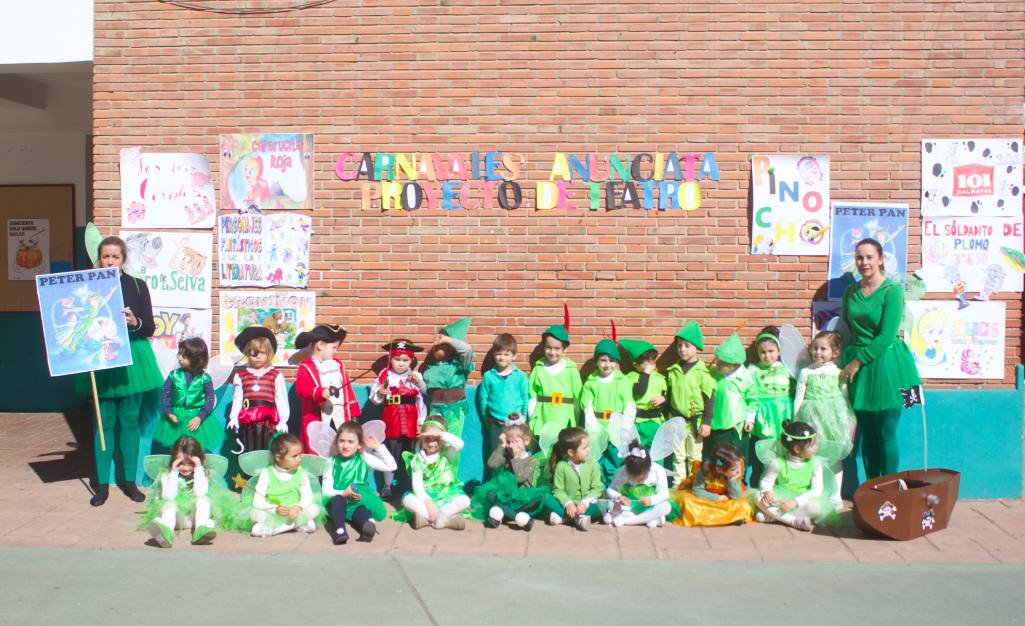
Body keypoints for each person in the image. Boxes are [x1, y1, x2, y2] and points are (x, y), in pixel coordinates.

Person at [79, 236, 164, 506]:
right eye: (105, 257)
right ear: (98, 259)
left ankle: (128, 481)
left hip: (132, 360)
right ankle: (102, 484)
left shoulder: (138, 286)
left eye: (115, 257)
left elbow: (150, 326)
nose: (110, 261)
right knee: (103, 423)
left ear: (124, 258)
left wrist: (134, 321)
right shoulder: (88, 286)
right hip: (101, 359)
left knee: (129, 421)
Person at [840, 238, 922, 478]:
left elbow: (887, 335)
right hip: (860, 368)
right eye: (859, 258)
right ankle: (871, 487)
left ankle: (889, 487)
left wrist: (856, 361)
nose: (864, 262)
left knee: (886, 431)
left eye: (869, 257)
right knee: (866, 432)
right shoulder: (850, 292)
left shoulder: (892, 292)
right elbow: (849, 328)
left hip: (886, 364)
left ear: (880, 259)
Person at [139, 436, 236, 547]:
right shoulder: (167, 475)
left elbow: (200, 493)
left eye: (190, 463)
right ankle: (166, 534)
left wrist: (198, 467)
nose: (185, 468)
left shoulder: (202, 474)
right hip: (174, 520)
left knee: (203, 500)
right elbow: (169, 496)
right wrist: (174, 472)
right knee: (169, 504)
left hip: (193, 519)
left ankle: (201, 531)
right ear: (174, 460)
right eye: (181, 463)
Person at [794, 331, 856, 503]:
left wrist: (849, 420)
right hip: (812, 421)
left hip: (833, 423)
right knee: (816, 458)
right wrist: (796, 420)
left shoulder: (839, 373)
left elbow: (844, 398)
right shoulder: (806, 372)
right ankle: (817, 496)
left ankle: (836, 496)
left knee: (835, 459)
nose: (818, 352)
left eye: (823, 349)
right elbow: (799, 396)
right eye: (815, 348)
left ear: (835, 352)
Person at [321, 422, 396, 544]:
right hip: (338, 498)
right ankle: (340, 530)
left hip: (358, 499)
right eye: (341, 441)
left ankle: (367, 524)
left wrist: (379, 447)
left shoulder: (364, 458)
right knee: (337, 501)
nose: (345, 445)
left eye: (351, 442)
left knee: (361, 510)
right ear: (336, 442)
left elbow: (391, 466)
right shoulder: (331, 462)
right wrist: (344, 493)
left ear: (359, 445)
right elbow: (326, 490)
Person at [370, 339, 427, 498]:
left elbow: (421, 399)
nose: (401, 364)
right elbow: (374, 399)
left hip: (410, 421)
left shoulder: (415, 377)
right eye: (397, 359)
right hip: (392, 421)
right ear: (391, 359)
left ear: (411, 361)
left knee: (413, 455)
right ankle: (387, 486)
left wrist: (421, 422)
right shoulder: (385, 375)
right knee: (390, 453)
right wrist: (380, 393)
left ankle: (415, 486)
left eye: (405, 360)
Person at [755, 421, 834, 532]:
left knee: (815, 507)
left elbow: (817, 490)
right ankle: (794, 521)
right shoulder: (778, 463)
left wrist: (795, 501)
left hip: (803, 500)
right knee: (758, 496)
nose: (816, 448)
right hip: (781, 499)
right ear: (797, 449)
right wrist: (767, 491)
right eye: (812, 445)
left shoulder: (815, 463)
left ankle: (775, 516)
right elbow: (767, 481)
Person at [295, 324, 360, 454]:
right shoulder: (306, 367)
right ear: (320, 345)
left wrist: (354, 416)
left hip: (340, 421)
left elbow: (348, 392)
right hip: (318, 421)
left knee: (340, 453)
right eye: (333, 347)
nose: (336, 351)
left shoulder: (339, 365)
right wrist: (320, 392)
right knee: (318, 456)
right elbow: (301, 388)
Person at [470, 419, 546, 531]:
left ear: (526, 441)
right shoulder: (506, 455)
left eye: (516, 442)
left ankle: (503, 515)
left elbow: (520, 478)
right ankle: (516, 517)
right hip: (505, 496)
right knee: (490, 494)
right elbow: (492, 464)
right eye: (509, 442)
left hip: (522, 498)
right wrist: (501, 445)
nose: (512, 446)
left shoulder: (531, 461)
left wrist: (516, 457)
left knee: (498, 506)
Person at [226, 325, 289, 460]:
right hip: (248, 424)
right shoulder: (241, 376)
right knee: (249, 454)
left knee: (268, 455)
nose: (258, 357)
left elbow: (281, 400)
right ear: (248, 353)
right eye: (254, 353)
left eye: (262, 352)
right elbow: (238, 399)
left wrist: (283, 421)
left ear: (269, 353)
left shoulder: (275, 375)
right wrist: (234, 419)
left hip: (269, 424)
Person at [397, 416, 470, 530]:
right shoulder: (417, 459)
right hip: (426, 498)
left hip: (447, 496)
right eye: (427, 439)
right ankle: (447, 521)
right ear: (421, 438)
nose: (431, 444)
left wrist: (440, 434)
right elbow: (418, 488)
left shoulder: (447, 454)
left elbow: (459, 444)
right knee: (407, 500)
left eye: (436, 439)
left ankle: (431, 518)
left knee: (465, 501)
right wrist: (429, 504)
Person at [665, 321, 716, 482]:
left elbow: (709, 399)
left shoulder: (702, 373)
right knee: (678, 456)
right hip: (677, 421)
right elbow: (670, 396)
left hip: (696, 423)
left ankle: (695, 485)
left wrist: (707, 422)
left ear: (697, 348)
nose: (682, 349)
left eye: (687, 345)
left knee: (694, 456)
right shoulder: (673, 371)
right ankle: (678, 486)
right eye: (679, 345)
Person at [152, 337, 222, 454]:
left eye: (184, 356)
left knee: (195, 449)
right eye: (179, 353)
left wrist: (200, 417)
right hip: (177, 417)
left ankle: (196, 470)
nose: (179, 358)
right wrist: (169, 412)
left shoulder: (204, 378)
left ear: (196, 359)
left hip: (197, 417)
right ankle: (176, 471)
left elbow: (210, 399)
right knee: (177, 449)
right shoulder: (174, 375)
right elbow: (165, 394)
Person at [581, 338, 635, 484]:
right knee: (596, 460)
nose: (607, 364)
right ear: (596, 362)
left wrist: (625, 428)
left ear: (616, 362)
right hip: (597, 427)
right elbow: (587, 406)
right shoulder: (591, 382)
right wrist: (592, 427)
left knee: (614, 461)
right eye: (603, 360)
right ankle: (599, 490)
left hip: (616, 428)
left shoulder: (622, 381)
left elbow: (629, 405)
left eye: (611, 360)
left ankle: (614, 489)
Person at [246, 433, 322, 537]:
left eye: (300, 455)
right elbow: (257, 502)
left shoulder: (301, 473)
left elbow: (307, 496)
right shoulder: (267, 473)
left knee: (315, 508)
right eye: (294, 456)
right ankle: (296, 526)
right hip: (273, 514)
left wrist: (298, 507)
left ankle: (276, 530)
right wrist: (274, 509)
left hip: (295, 514)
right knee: (253, 513)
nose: (299, 459)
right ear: (278, 457)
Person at [747, 327, 794, 486]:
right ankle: (763, 483)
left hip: (783, 413)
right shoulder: (753, 370)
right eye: (763, 352)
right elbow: (751, 395)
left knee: (783, 447)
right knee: (766, 449)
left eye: (771, 351)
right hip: (764, 415)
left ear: (779, 351)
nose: (767, 355)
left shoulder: (786, 368)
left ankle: (782, 482)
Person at [475, 333, 530, 466]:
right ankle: (498, 484)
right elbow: (483, 399)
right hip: (495, 425)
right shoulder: (489, 376)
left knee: (515, 457)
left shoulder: (520, 376)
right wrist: (486, 419)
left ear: (514, 356)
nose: (502, 357)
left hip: (515, 426)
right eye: (499, 353)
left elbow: (525, 398)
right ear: (494, 355)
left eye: (506, 354)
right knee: (497, 459)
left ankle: (516, 484)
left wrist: (525, 419)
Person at [672, 442, 753, 527]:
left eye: (738, 467)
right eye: (734, 469)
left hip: (726, 501)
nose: (738, 471)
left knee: (743, 506)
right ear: (719, 469)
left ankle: (729, 517)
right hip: (706, 500)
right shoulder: (704, 471)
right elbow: (697, 491)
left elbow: (736, 496)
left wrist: (732, 479)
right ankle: (728, 518)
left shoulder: (734, 474)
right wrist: (717, 498)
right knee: (688, 502)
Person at [704, 333, 755, 459]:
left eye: (723, 362)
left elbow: (753, 400)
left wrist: (750, 419)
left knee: (736, 457)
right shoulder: (713, 372)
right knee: (717, 456)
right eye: (718, 360)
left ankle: (738, 478)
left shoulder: (745, 377)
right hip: (715, 424)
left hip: (736, 426)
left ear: (735, 364)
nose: (718, 364)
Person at [605, 440, 677, 528]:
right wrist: (619, 497)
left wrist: (651, 500)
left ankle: (627, 521)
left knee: (666, 507)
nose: (639, 481)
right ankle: (650, 519)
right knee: (611, 504)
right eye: (634, 478)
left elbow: (664, 494)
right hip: (630, 506)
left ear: (649, 468)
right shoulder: (623, 471)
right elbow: (610, 489)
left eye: (642, 478)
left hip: (650, 506)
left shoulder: (658, 471)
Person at [423, 317, 474, 440]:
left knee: (451, 443)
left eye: (441, 345)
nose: (435, 347)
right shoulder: (430, 368)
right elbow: (426, 391)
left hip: (454, 410)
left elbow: (467, 349)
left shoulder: (459, 363)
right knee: (435, 442)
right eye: (435, 346)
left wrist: (448, 339)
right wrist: (418, 382)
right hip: (436, 410)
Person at [527, 324, 582, 436]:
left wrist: (575, 421)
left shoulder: (571, 370)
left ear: (564, 349)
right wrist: (532, 418)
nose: (552, 352)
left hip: (564, 421)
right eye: (549, 348)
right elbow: (532, 397)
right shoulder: (539, 369)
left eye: (557, 348)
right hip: (543, 420)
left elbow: (577, 399)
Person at [547, 427, 605, 531]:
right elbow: (557, 490)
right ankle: (578, 519)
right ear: (571, 452)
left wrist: (585, 502)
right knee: (547, 499)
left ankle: (565, 519)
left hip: (587, 505)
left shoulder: (593, 464)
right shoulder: (561, 466)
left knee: (607, 505)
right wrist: (568, 503)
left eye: (588, 446)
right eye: (584, 448)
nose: (589, 449)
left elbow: (597, 488)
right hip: (568, 507)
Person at [620, 339, 667, 451]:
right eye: (647, 362)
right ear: (635, 364)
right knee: (638, 454)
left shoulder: (659, 378)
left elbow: (669, 397)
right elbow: (639, 392)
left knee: (657, 453)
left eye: (652, 360)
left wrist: (664, 398)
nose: (652, 364)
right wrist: (645, 373)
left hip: (656, 422)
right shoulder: (630, 378)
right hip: (638, 424)